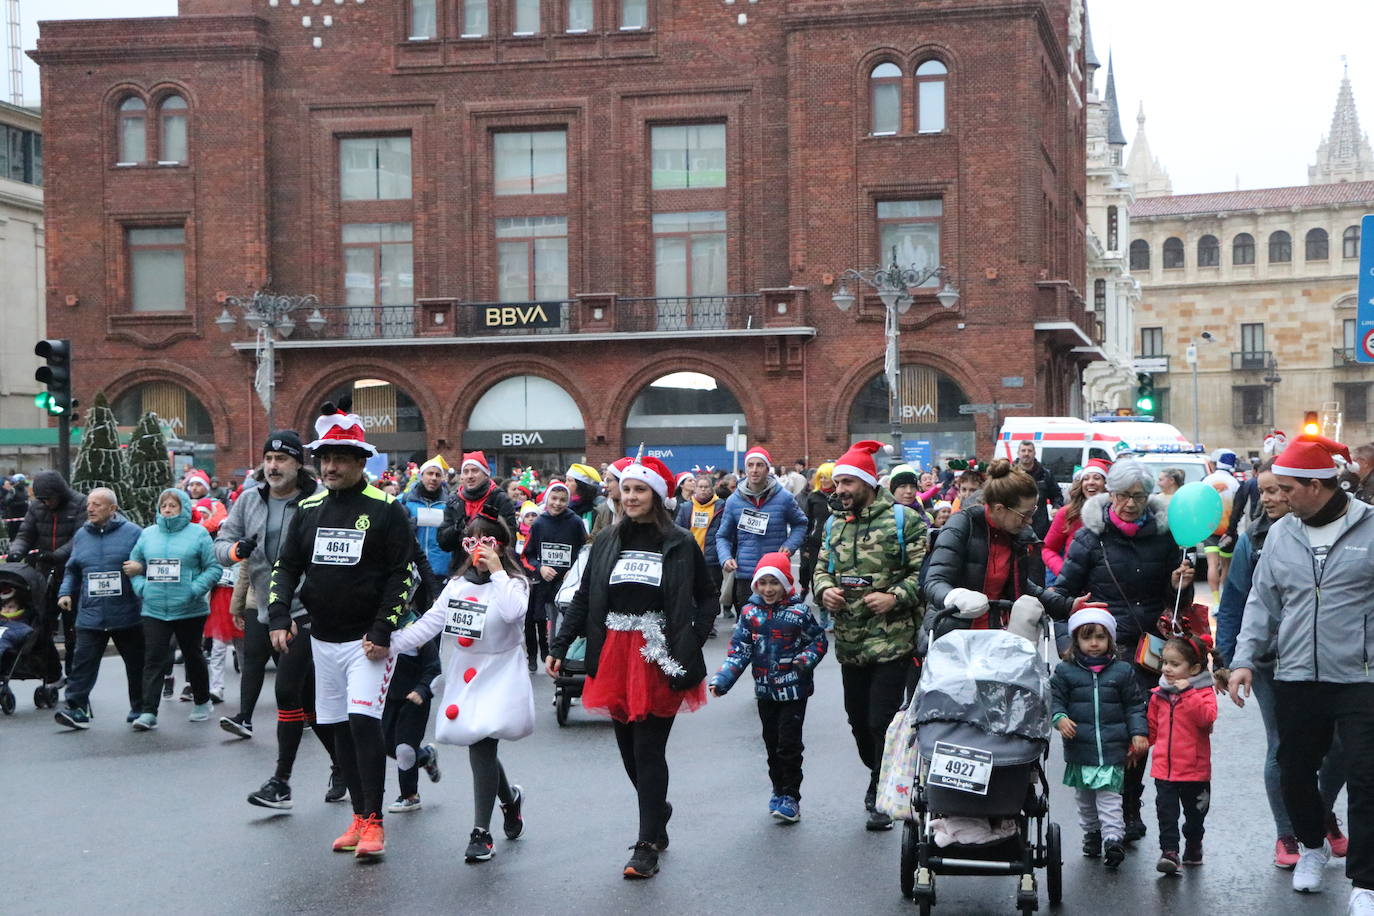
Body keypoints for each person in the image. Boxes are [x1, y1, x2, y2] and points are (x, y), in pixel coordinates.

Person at [546, 454, 716, 879]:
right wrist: (560, 643)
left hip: (660, 654)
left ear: (656, 496)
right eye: (627, 489)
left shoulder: (678, 541)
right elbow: (585, 597)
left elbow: (708, 597)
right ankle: (657, 809)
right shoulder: (605, 540)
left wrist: (691, 638)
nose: (632, 496)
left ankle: (645, 846)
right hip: (613, 652)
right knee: (628, 753)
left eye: (641, 490)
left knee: (648, 748)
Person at [1228, 435, 1374, 910]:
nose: (1278, 496)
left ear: (1316, 485)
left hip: (1361, 676)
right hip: (1295, 673)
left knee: (1366, 776)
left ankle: (1365, 884)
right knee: (1293, 770)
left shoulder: (1370, 527)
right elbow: (1261, 601)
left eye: (1287, 487)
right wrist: (1244, 658)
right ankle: (1311, 846)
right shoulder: (1281, 534)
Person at [271, 402, 414, 860]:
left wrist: (383, 628)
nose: (330, 467)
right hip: (321, 640)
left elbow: (403, 574)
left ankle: (374, 822)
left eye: (340, 459)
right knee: (331, 727)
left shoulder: (387, 509)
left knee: (361, 723)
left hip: (367, 644)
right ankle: (357, 816)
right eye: (324, 459)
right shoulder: (308, 508)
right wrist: (277, 614)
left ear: (360, 462)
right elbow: (286, 565)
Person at [1041, 458, 1196, 844]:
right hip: (1105, 649)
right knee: (1110, 731)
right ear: (1110, 494)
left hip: (1149, 652)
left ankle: (1129, 802)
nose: (1130, 503)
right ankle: (1107, 810)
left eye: (1139, 497)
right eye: (1124, 495)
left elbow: (1177, 600)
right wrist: (1071, 633)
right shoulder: (1089, 537)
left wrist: (1180, 585)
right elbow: (1060, 595)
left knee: (1140, 729)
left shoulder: (1165, 536)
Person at [375, 509, 535, 861]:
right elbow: (429, 624)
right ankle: (509, 800)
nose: (478, 549)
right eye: (471, 542)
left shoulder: (514, 583)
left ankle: (481, 833)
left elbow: (513, 613)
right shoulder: (457, 586)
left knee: (482, 743)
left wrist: (497, 571)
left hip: (500, 672)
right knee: (481, 744)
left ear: (501, 545)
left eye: (487, 541)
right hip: (466, 672)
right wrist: (388, 643)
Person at [1216, 457, 1349, 869]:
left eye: (1278, 489)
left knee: (1340, 749)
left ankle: (1317, 815)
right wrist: (1229, 656)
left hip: (1334, 657)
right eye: (1264, 491)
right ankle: (1288, 834)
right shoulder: (1252, 540)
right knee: (1283, 748)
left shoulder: (1338, 530)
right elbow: (1238, 600)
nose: (1271, 497)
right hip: (1272, 663)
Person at [812, 440, 928, 830]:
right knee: (857, 720)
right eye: (837, 483)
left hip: (892, 638)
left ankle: (881, 790)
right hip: (849, 640)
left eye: (847, 482)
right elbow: (820, 568)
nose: (840, 489)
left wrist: (894, 596)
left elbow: (924, 575)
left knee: (881, 719)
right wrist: (823, 590)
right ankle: (876, 770)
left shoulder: (904, 521)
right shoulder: (833, 523)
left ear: (866, 483)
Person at [708, 552, 827, 823]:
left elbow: (818, 642)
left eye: (774, 583)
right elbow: (739, 651)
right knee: (771, 744)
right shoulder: (750, 614)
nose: (768, 589)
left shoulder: (799, 612)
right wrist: (722, 680)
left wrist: (803, 661)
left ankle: (791, 797)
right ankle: (777, 788)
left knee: (789, 744)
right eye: (763, 583)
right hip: (765, 690)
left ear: (785, 583)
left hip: (794, 690)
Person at [1050, 607, 1149, 869]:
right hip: (1080, 747)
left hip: (1111, 748)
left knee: (1109, 797)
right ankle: (1092, 833)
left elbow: (1135, 706)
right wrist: (1059, 717)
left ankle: (1113, 839)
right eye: (1087, 637)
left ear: (1110, 640)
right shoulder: (1065, 672)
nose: (1094, 643)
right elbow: (1054, 699)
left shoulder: (1122, 672)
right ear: (1076, 641)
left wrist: (1139, 732)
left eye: (1100, 637)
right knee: (1085, 798)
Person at [125, 488, 222, 730]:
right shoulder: (148, 535)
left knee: (193, 655)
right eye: (164, 506)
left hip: (190, 608)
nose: (167, 509)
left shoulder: (198, 534)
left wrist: (194, 589)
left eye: (173, 505)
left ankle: (201, 701)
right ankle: (148, 712)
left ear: (184, 509)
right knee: (154, 658)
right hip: (154, 607)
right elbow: (133, 565)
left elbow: (214, 569)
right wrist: (142, 588)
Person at [53, 487, 144, 729]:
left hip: (127, 612)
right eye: (89, 504)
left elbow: (147, 562)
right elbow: (72, 568)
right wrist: (65, 593)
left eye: (97, 504)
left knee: (136, 664)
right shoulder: (82, 535)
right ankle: (77, 708)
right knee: (83, 663)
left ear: (113, 509)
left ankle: (141, 708)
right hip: (91, 613)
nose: (90, 509)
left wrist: (140, 568)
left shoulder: (134, 533)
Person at [923, 459, 1044, 634]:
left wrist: (1067, 605)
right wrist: (956, 597)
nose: (1029, 521)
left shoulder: (1016, 534)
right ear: (1000, 509)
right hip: (953, 634)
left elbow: (1021, 585)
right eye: (1024, 514)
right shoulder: (961, 525)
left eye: (1032, 512)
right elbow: (934, 582)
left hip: (995, 634)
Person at [1148, 635, 1220, 874]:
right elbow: (1152, 728)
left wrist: (1189, 693)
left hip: (1194, 771)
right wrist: (1138, 745)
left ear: (1195, 668)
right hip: (1164, 769)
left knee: (1194, 816)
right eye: (1165, 662)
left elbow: (1206, 718)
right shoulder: (1159, 693)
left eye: (1175, 664)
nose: (1167, 668)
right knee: (1166, 813)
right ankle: (1169, 851)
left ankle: (1194, 841)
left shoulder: (1203, 692)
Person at [6, 469, 87, 679]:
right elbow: (25, 533)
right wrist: (16, 552)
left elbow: (80, 538)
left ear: (59, 493)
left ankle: (74, 677)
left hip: (73, 573)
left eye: (49, 498)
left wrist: (56, 555)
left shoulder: (80, 504)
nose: (45, 503)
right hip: (43, 574)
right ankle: (52, 673)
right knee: (39, 627)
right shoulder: (37, 507)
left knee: (73, 631)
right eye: (41, 499)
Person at [716, 447, 808, 616]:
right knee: (748, 628)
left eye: (759, 465)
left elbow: (801, 524)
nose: (754, 470)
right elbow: (723, 536)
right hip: (746, 574)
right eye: (750, 465)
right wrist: (725, 558)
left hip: (776, 573)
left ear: (767, 469)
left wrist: (790, 545)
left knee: (777, 626)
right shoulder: (733, 501)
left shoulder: (784, 497)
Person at [524, 481, 586, 669]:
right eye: (554, 499)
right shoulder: (539, 523)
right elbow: (528, 553)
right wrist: (540, 567)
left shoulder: (575, 522)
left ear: (568, 501)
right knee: (549, 621)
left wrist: (574, 570)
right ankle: (553, 657)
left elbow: (585, 549)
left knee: (566, 622)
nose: (557, 503)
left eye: (562, 500)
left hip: (568, 585)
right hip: (545, 584)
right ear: (547, 498)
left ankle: (566, 659)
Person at [438, 451, 518, 558]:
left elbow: (510, 539)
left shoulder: (500, 499)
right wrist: (456, 529)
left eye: (475, 471)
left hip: (493, 565)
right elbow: (443, 543)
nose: (470, 476)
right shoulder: (454, 501)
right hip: (462, 567)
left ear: (486, 474)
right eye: (466, 472)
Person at [675, 474, 727, 635]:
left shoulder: (721, 507)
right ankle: (692, 621)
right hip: (691, 557)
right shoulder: (686, 507)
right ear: (695, 489)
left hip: (712, 559)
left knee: (711, 593)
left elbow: (725, 531)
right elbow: (677, 530)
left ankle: (708, 624)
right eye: (700, 487)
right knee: (690, 592)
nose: (703, 490)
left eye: (707, 487)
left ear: (712, 489)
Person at [1042, 459, 1110, 579]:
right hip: (1075, 587)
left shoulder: (1116, 513)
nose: (1091, 482)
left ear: (1106, 483)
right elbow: (1047, 549)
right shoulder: (1067, 513)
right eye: (1086, 478)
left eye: (1097, 478)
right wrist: (1064, 571)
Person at [402, 454, 452, 579]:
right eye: (430, 473)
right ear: (421, 476)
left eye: (438, 474)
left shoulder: (450, 503)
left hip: (441, 569)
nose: (433, 478)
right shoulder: (405, 500)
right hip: (413, 568)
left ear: (442, 478)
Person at [1201, 449, 1241, 598]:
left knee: (1212, 564)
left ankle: (1215, 601)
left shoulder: (1207, 480)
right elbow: (1239, 507)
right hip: (1227, 530)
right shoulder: (1235, 483)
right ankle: (1224, 599)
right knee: (1226, 565)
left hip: (1209, 527)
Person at [799, 462, 836, 609]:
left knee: (834, 575)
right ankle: (821, 605)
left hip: (836, 542)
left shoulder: (840, 496)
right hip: (816, 543)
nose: (823, 480)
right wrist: (806, 545)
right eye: (820, 477)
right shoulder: (813, 496)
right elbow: (807, 522)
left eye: (826, 477)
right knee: (816, 574)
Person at [1017, 440, 1064, 538]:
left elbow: (1057, 495)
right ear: (1018, 453)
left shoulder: (1045, 475)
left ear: (1034, 453)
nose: (1026, 454)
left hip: (1040, 529)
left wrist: (1056, 507)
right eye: (1023, 450)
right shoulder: (1011, 474)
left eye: (1029, 451)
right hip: (1016, 525)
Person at [566, 463, 604, 532]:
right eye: (566, 480)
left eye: (570, 480)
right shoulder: (565, 504)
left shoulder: (595, 507)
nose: (566, 484)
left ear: (580, 484)